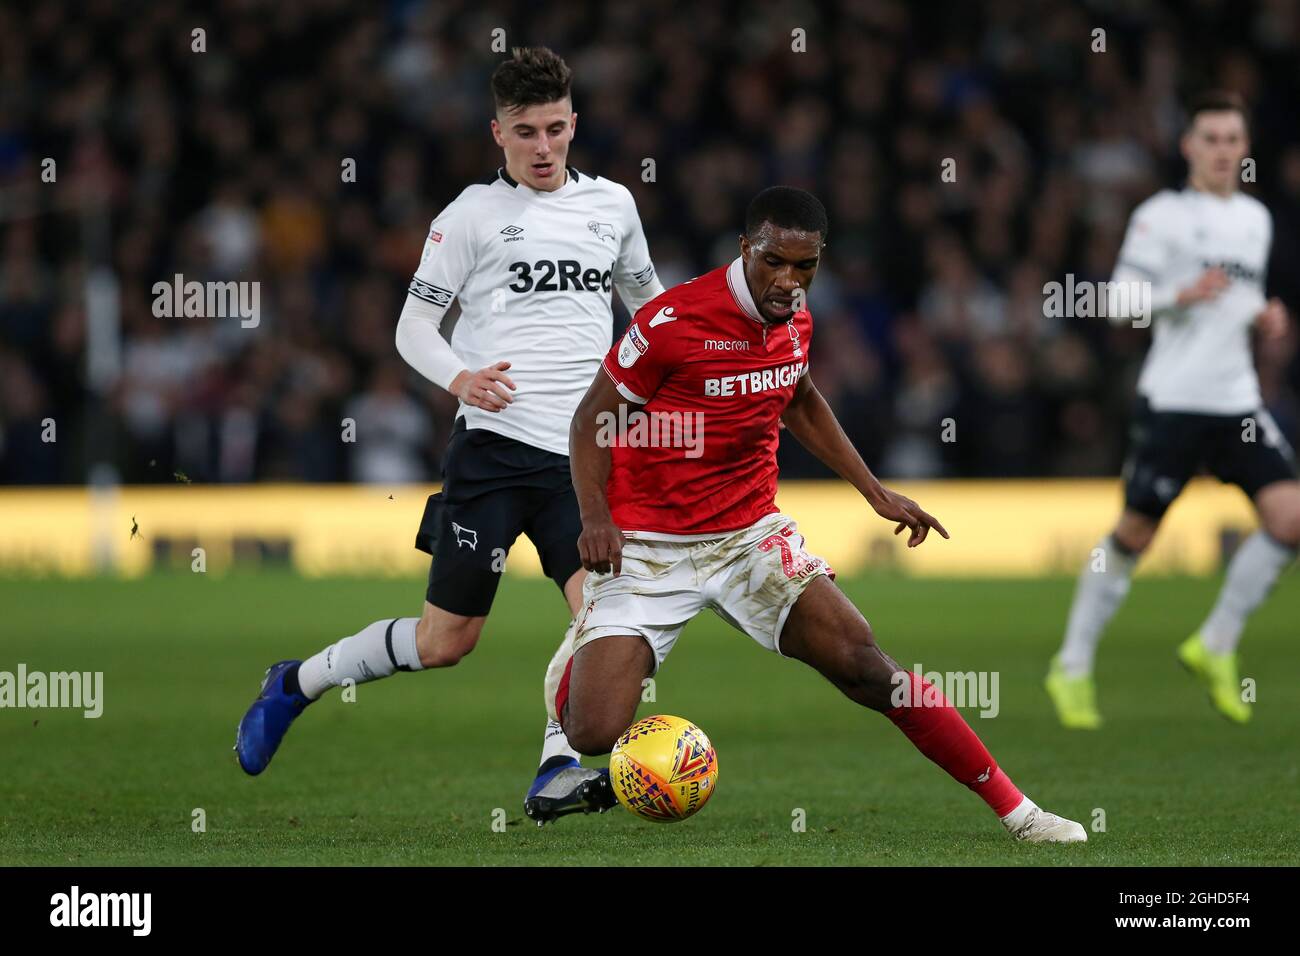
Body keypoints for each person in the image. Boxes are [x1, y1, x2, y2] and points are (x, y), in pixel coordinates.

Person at [557, 186, 1086, 843]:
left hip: (748, 535)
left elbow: (800, 399)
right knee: (593, 730)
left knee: (869, 666)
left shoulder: (797, 318)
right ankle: (579, 668)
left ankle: (1021, 814)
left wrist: (874, 491)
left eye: (804, 266)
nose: (788, 280)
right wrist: (594, 517)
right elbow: (589, 422)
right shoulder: (672, 321)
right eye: (774, 262)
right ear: (746, 248)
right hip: (647, 542)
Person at [235, 48, 665, 824]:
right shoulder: (469, 217)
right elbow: (413, 328)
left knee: (607, 621)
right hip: (494, 453)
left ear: (576, 125)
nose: (542, 147)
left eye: (555, 129)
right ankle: (296, 682)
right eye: (525, 131)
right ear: (495, 132)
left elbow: (651, 312)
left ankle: (556, 766)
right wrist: (461, 380)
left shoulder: (613, 207)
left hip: (585, 460)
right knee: (446, 642)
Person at [1046, 91, 1298, 728]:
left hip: (1236, 400)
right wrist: (1177, 294)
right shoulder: (1162, 216)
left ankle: (1214, 642)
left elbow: (1241, 304)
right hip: (1177, 401)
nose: (1221, 150)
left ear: (1245, 149)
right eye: (1209, 139)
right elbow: (1117, 303)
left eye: (1231, 140)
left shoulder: (1256, 220)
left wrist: (1267, 317)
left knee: (1291, 517)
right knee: (1133, 535)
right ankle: (1071, 664)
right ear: (1188, 146)